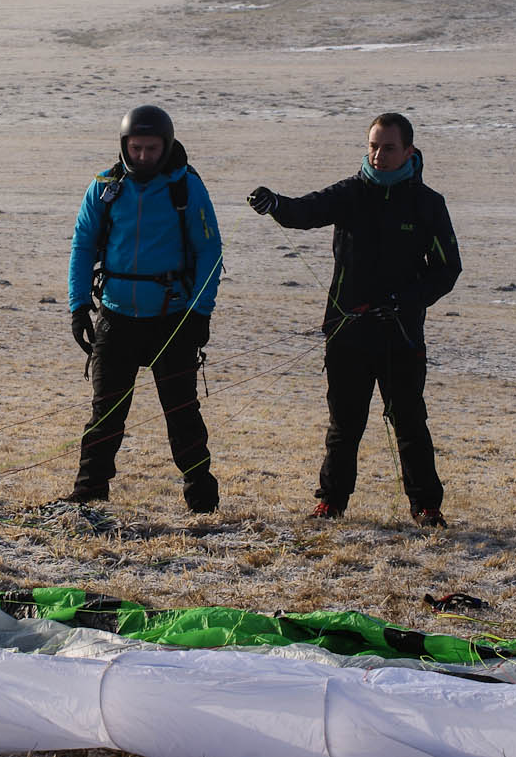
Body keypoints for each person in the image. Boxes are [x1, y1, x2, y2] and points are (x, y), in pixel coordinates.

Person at [248, 112, 461, 527]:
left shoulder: (428, 204)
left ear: (409, 151)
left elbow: (447, 268)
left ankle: (426, 506)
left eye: (388, 148)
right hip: (347, 333)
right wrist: (275, 204)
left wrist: (404, 302)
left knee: (410, 423)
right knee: (344, 426)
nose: (379, 155)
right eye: (373, 147)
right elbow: (304, 211)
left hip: (401, 335)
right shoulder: (350, 192)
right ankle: (331, 501)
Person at [66, 105, 224, 512]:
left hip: (173, 320)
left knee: (182, 413)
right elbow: (83, 245)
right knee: (106, 413)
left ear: (166, 146)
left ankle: (201, 499)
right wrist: (79, 306)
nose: (142, 156)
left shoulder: (186, 188)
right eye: (135, 148)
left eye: (151, 149)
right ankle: (88, 495)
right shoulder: (105, 187)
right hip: (115, 317)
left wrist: (200, 312)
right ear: (124, 145)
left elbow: (210, 250)